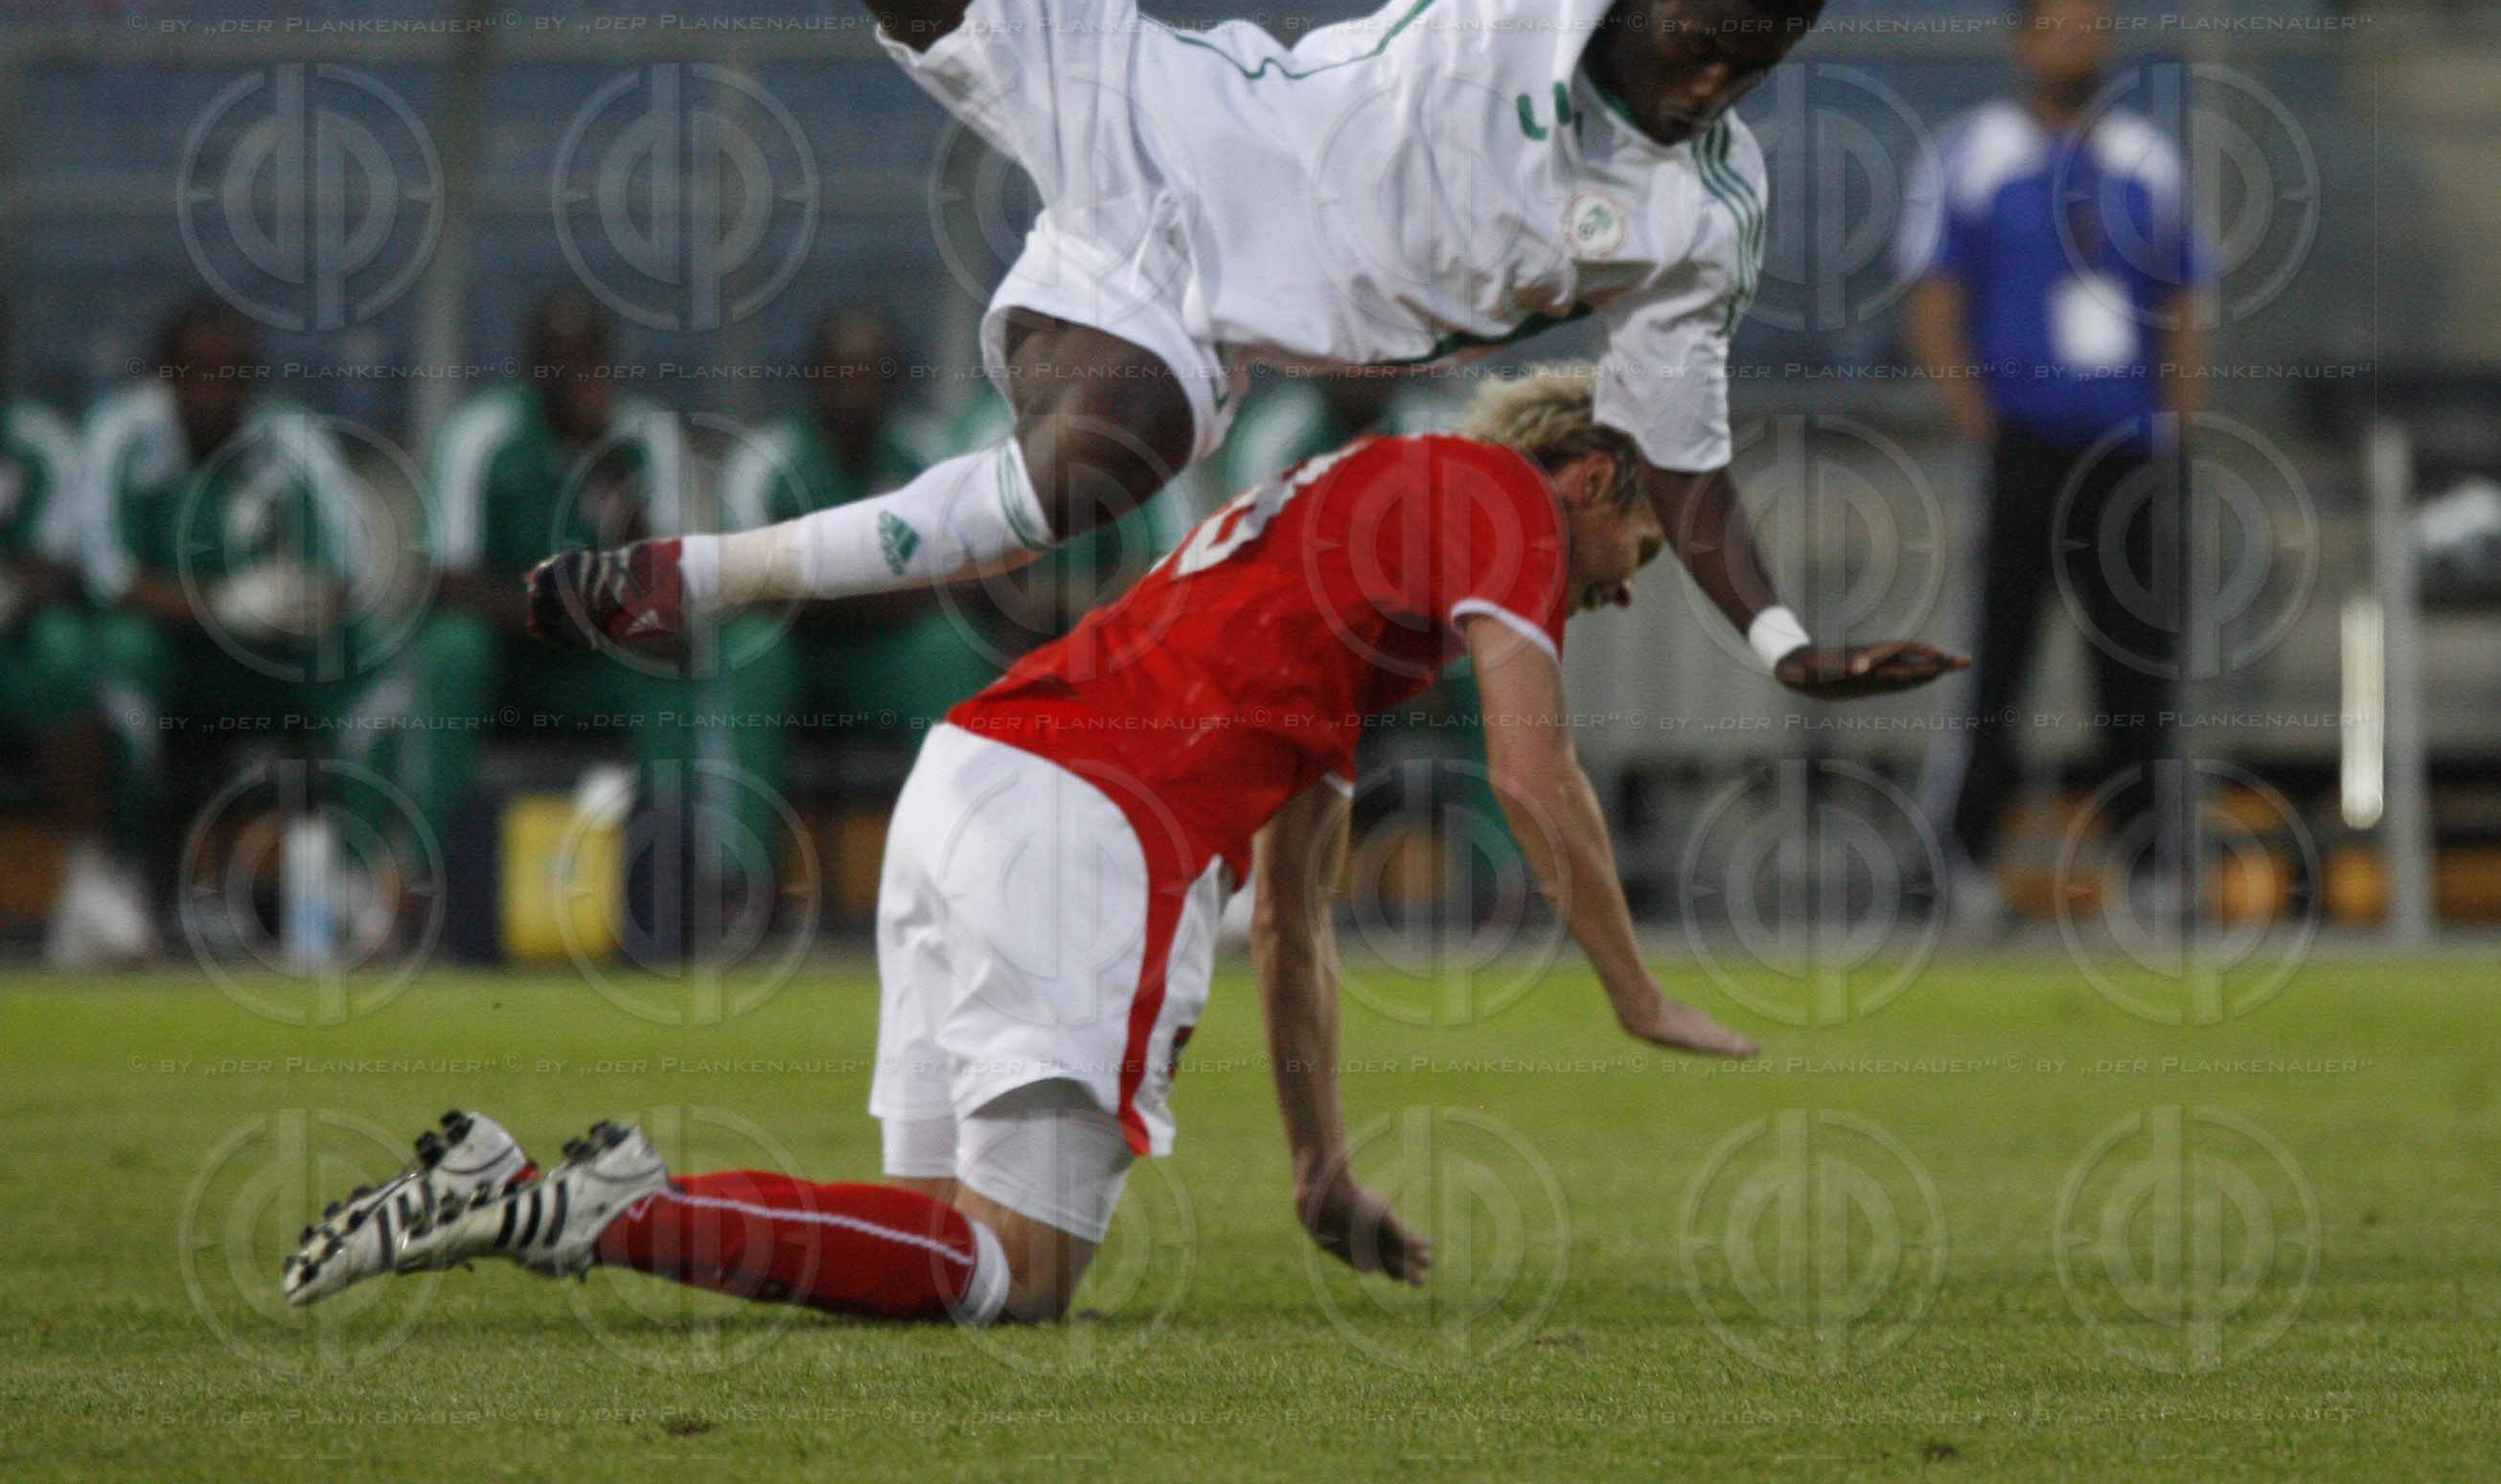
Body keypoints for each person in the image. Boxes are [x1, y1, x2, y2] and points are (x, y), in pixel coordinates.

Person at [291, 365, 1955, 1324]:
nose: (1625, 582)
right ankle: (569, 1207)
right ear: (1589, 478)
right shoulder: (1494, 507)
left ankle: (585, 1199)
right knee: (1016, 1278)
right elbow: (1537, 769)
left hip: (978, 778)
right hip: (1088, 826)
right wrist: (1633, 986)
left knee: (935, 1233)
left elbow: (1295, 923)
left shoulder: (1349, 557)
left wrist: (1318, 1169)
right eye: (1642, 543)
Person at [529, 0, 1966, 728]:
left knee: (1090, 466)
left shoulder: (1699, 220)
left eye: (1752, 71)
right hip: (1147, 95)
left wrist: (1782, 642)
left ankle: (695, 573)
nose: (1714, 89)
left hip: (1200, 318)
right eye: (1703, 49)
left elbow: (1682, 461)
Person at [1896, 0, 2203, 921]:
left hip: (2125, 448)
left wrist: (2173, 424)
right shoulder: (1972, 154)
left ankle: (2149, 865)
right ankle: (1963, 860)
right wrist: (1980, 421)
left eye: (2093, 28)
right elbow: (1936, 300)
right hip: (2025, 442)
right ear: (2023, 39)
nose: (2079, 46)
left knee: (2138, 665)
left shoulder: (2148, 162)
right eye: (2061, 28)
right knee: (1999, 659)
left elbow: (2185, 301)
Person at [78, 299, 372, 919]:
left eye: (231, 373)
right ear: (167, 374)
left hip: (259, 665)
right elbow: (108, 577)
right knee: (117, 648)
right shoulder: (120, 434)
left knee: (354, 649)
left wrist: (288, 598)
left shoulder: (293, 439)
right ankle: (115, 874)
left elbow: (344, 572)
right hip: (167, 661)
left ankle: (346, 867)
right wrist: (224, 604)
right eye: (197, 372)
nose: (214, 390)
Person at [395, 293, 700, 872]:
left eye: (587, 360)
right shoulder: (480, 434)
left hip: (604, 663)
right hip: (510, 658)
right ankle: (431, 872)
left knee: (668, 656)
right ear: (531, 366)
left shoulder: (647, 437)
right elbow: (446, 582)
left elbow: (666, 596)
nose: (573, 376)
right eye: (558, 361)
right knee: (452, 648)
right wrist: (567, 609)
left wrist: (611, 473)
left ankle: (676, 875)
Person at [714, 308, 1003, 850]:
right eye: (841, 370)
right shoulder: (765, 460)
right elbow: (748, 588)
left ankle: (959, 862)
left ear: (893, 378)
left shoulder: (927, 453)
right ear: (815, 374)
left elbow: (962, 580)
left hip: (887, 658)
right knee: (747, 649)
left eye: (870, 371)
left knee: (948, 647)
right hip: (796, 655)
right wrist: (883, 587)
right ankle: (739, 876)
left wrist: (822, 587)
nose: (855, 386)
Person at [0, 311, 125, 968]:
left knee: (64, 649)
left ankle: (94, 874)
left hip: (11, 643)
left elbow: (66, 565)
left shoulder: (38, 442)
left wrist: (16, 586)